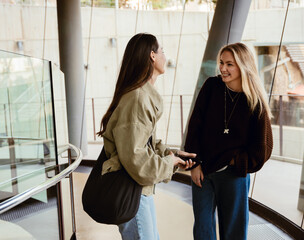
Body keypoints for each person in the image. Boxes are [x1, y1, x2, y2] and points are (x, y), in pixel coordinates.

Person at [97, 33, 196, 240]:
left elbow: (144, 140)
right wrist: (169, 162)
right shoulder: (138, 98)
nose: (164, 55)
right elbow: (136, 157)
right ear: (152, 55)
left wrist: (170, 154)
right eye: (162, 50)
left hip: (139, 190)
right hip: (132, 191)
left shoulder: (139, 95)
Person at [184, 42, 273, 240]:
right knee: (202, 228)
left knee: (234, 231)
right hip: (203, 171)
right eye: (221, 63)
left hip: (234, 175)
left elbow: (263, 149)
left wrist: (235, 161)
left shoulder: (255, 101)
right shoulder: (211, 87)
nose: (223, 69)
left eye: (230, 64)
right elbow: (195, 127)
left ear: (243, 66)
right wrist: (194, 164)